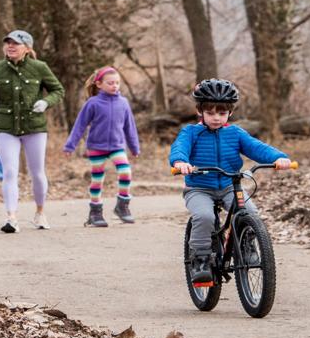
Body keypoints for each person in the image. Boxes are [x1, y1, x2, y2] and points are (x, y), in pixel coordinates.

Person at [168, 78, 293, 286]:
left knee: (249, 212)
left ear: (230, 112)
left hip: (229, 186)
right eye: (210, 113)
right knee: (205, 216)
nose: (216, 117)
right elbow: (179, 147)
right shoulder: (190, 132)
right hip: (199, 188)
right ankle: (200, 259)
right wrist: (181, 162)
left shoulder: (235, 133)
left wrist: (278, 157)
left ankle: (247, 247)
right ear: (200, 111)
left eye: (222, 112)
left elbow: (257, 147)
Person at [0, 30, 65, 232]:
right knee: (10, 172)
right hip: (5, 127)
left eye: (15, 43)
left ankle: (40, 213)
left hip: (34, 127)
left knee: (37, 172)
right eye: (8, 42)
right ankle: (11, 218)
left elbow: (58, 90)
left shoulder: (39, 67)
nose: (10, 46)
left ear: (27, 48)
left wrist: (46, 102)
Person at [62, 66, 143, 227]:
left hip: (117, 146)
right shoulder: (92, 103)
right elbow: (80, 125)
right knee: (97, 179)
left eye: (117, 83)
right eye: (110, 83)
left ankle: (122, 206)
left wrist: (134, 147)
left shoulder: (123, 103)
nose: (114, 86)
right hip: (96, 146)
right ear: (99, 84)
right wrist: (70, 145)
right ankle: (95, 212)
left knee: (125, 172)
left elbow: (130, 127)